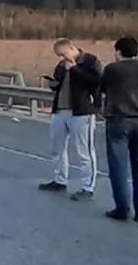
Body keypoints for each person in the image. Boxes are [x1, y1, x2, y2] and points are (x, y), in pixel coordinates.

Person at [37, 38, 103, 200]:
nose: (61, 59)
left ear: (72, 48)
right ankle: (60, 180)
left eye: (63, 54)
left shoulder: (90, 61)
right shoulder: (61, 65)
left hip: (81, 111)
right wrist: (54, 84)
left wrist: (74, 69)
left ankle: (88, 187)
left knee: (84, 151)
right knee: (57, 148)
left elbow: (96, 82)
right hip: (60, 110)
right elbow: (59, 83)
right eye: (59, 56)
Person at [101, 36, 138, 223]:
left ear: (118, 51)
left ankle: (122, 209)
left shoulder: (112, 69)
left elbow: (102, 88)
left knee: (119, 166)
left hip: (118, 119)